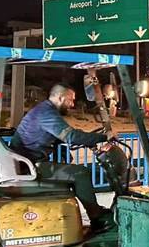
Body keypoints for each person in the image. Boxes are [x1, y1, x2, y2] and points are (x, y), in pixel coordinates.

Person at [10, 83, 114, 231]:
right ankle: (96, 218)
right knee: (81, 173)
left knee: (71, 171)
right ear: (60, 98)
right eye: (70, 100)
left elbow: (65, 135)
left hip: (27, 163)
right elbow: (70, 136)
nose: (72, 104)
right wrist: (104, 137)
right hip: (30, 166)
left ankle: (93, 210)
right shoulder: (46, 114)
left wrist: (87, 140)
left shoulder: (44, 111)